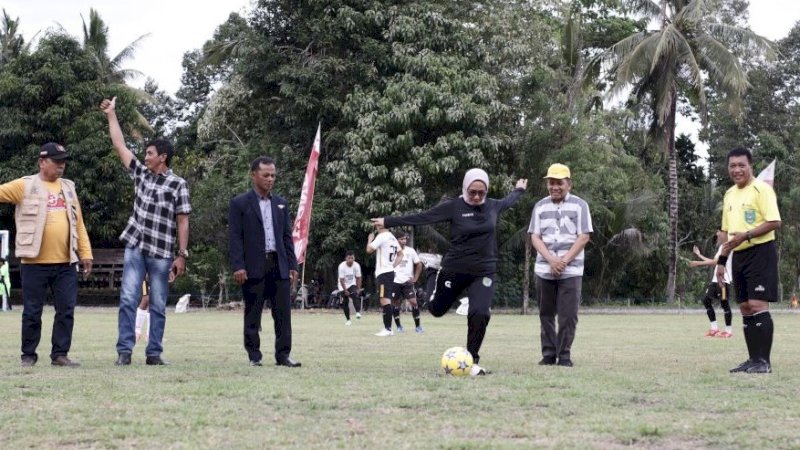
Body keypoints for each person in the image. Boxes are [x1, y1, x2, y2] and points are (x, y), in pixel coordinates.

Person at [373, 169, 527, 375]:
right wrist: (389, 221)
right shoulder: (453, 207)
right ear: (465, 188)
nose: (477, 197)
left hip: (484, 271)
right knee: (436, 310)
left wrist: (519, 190)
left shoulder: (492, 206)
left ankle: (472, 360)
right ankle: (431, 274)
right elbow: (423, 217)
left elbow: (509, 200)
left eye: (482, 192)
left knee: (480, 312)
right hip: (454, 269)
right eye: (472, 192)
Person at [101, 97, 191, 366]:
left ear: (162, 157)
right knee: (128, 297)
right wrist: (111, 115)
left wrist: (182, 255)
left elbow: (183, 221)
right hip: (136, 248)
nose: (145, 156)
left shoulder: (178, 184)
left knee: (158, 303)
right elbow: (120, 145)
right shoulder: (140, 174)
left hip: (162, 253)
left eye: (150, 153)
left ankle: (154, 353)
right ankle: (124, 351)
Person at [0, 143, 93, 367]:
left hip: (66, 262)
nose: (61, 166)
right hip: (34, 262)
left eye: (63, 162)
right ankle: (28, 355)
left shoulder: (69, 187)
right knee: (32, 311)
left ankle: (60, 354)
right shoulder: (25, 185)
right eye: (56, 161)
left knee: (66, 310)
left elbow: (78, 223)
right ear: (42, 162)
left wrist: (85, 253)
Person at [229, 156, 300, 367]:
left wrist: (293, 265)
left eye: (273, 175)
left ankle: (283, 355)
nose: (270, 179)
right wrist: (238, 265)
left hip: (279, 265)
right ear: (254, 175)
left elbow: (287, 236)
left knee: (283, 314)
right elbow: (235, 237)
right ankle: (254, 355)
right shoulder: (239, 203)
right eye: (266, 175)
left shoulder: (281, 204)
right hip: (252, 267)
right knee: (253, 313)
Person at [717, 147, 781, 374]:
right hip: (739, 256)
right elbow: (726, 233)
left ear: (750, 166)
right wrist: (721, 262)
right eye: (732, 166)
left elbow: (774, 222)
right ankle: (753, 359)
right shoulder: (729, 194)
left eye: (741, 165)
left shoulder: (761, 189)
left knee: (757, 304)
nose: (737, 170)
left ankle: (764, 361)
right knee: (744, 307)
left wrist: (745, 235)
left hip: (760, 252)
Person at [529, 163, 592, 368]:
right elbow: (535, 237)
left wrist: (563, 261)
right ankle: (548, 355)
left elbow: (584, 237)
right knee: (545, 314)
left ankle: (564, 355)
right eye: (551, 183)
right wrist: (551, 260)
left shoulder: (580, 205)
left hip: (571, 270)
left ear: (569, 184)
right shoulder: (540, 206)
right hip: (544, 268)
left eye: (559, 183)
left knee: (568, 316)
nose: (555, 187)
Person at [689, 231, 733, 338]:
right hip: (715, 280)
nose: (717, 234)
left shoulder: (727, 246)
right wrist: (699, 255)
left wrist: (697, 263)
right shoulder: (721, 246)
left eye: (719, 232)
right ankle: (714, 329)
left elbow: (715, 262)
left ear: (726, 233)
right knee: (706, 300)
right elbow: (714, 261)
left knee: (724, 304)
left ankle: (728, 331)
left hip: (723, 280)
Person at [366, 222, 400, 337]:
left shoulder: (382, 236)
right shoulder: (393, 238)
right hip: (389, 272)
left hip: (384, 273)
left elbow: (369, 250)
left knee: (384, 300)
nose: (376, 226)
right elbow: (400, 255)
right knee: (386, 299)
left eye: (377, 224)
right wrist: (392, 266)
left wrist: (370, 239)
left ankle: (388, 329)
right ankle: (388, 328)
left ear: (380, 226)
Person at [391, 231, 423, 333]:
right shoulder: (392, 251)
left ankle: (418, 327)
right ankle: (399, 326)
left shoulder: (411, 251)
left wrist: (415, 278)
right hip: (395, 282)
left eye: (405, 239)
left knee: (414, 302)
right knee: (396, 303)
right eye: (401, 239)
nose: (404, 241)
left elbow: (419, 264)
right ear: (396, 240)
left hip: (407, 282)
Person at [337, 251, 363, 325]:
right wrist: (345, 290)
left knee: (355, 295)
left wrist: (358, 289)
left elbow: (358, 278)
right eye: (349, 258)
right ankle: (348, 320)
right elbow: (341, 279)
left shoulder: (356, 265)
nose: (351, 260)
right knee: (345, 302)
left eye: (352, 258)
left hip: (352, 284)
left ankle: (357, 312)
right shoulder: (341, 266)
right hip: (342, 285)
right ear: (346, 258)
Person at [135, 278, 150, 343]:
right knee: (146, 299)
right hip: (145, 278)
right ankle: (138, 332)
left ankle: (149, 334)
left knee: (147, 300)